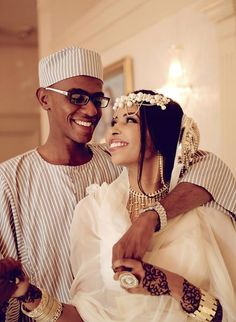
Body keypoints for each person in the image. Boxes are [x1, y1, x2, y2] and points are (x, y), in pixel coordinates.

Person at [0, 46, 235, 321]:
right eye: (77, 97)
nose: (91, 110)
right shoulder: (9, 180)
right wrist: (26, 293)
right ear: (44, 99)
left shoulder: (115, 162)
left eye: (97, 99)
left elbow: (213, 168)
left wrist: (150, 218)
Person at [69, 90, 236, 321]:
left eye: (130, 120)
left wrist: (170, 285)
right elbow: (88, 310)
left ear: (160, 134)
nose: (113, 129)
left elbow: (225, 313)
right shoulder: (94, 211)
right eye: (114, 121)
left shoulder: (202, 209)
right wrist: (30, 296)